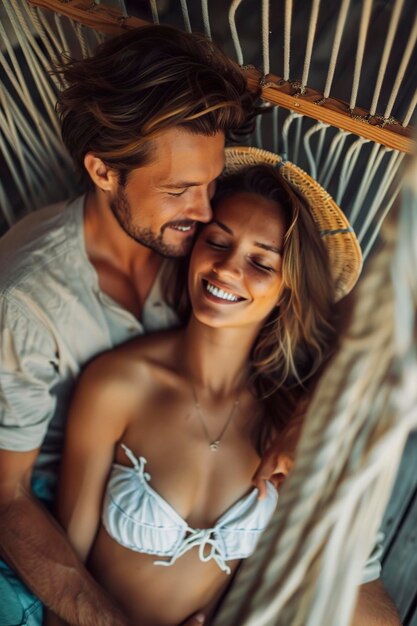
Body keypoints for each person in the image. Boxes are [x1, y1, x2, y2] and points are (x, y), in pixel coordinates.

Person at [47, 149, 397, 626]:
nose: (229, 269)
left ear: (287, 288)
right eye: (218, 242)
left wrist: (312, 417)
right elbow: (63, 579)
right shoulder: (117, 385)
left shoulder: (284, 422)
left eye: (261, 262)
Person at [0, 24, 255, 626]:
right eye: (178, 190)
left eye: (212, 181)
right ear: (104, 171)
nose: (204, 209)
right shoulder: (25, 300)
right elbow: (6, 498)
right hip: (39, 530)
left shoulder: (204, 250)